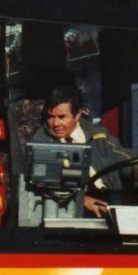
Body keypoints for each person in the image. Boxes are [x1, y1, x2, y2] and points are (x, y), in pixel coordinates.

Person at [30, 85, 130, 218]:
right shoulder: (41, 143)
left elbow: (125, 160)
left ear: (77, 115)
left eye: (61, 117)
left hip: (112, 201)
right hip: (68, 209)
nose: (55, 123)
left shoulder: (100, 136)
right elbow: (45, 185)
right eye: (50, 117)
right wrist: (82, 200)